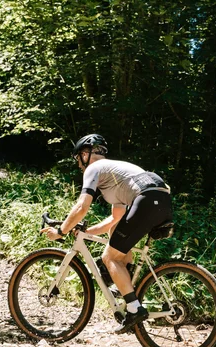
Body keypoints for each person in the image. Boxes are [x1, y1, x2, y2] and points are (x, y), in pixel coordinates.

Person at [41, 134, 173, 334]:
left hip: (146, 199)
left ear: (86, 154)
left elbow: (82, 205)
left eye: (78, 159)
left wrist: (61, 231)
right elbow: (115, 218)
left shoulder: (95, 168)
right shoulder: (115, 175)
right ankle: (125, 291)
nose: (79, 165)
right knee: (115, 235)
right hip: (161, 199)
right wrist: (85, 231)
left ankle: (134, 309)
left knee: (109, 257)